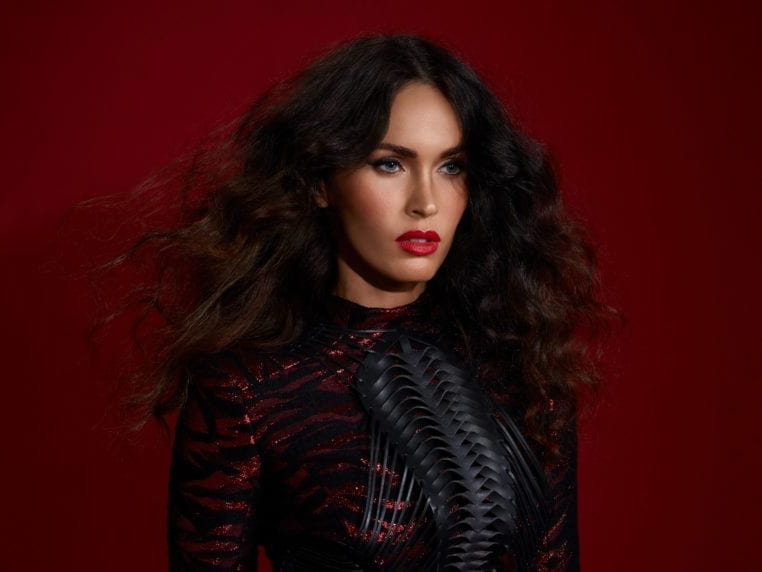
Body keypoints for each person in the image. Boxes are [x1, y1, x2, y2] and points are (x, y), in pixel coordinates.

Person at [121, 34, 609, 571]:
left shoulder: (523, 368)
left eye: (450, 167)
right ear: (321, 183)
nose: (426, 202)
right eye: (390, 163)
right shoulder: (247, 389)